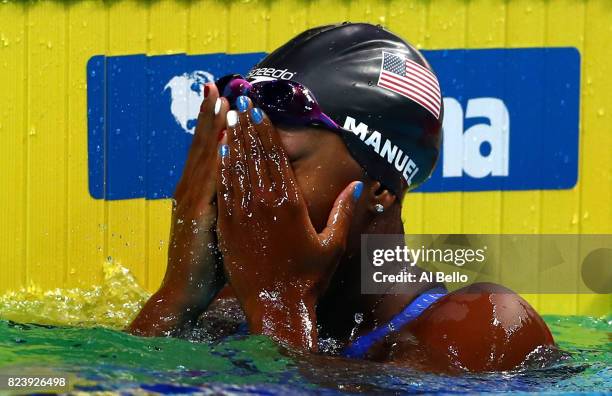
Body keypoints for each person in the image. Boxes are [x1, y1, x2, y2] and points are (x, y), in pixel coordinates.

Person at [128, 23, 554, 373]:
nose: (242, 192)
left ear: (381, 187)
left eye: (276, 166)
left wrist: (282, 307)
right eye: (236, 163)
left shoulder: (482, 328)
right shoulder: (229, 309)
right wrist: (176, 297)